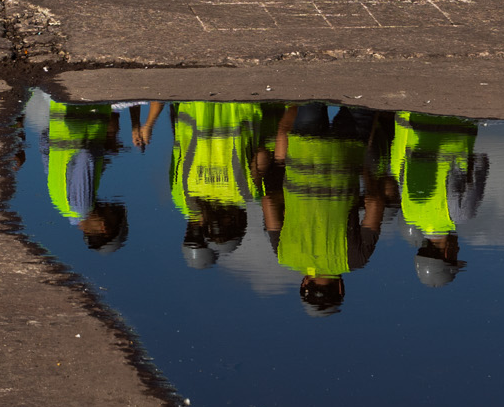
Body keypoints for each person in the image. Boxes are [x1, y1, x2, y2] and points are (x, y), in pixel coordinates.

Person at [265, 104, 387, 317]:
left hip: (346, 155)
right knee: (312, 91)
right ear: (304, 284)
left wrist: (365, 173)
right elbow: (268, 202)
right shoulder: (284, 255)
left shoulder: (355, 259)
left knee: (365, 91)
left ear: (340, 288)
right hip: (303, 150)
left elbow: (374, 203)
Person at [163, 100, 269, 270]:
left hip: (239, 107)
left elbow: (262, 155)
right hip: (195, 107)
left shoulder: (247, 193)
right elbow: (178, 153)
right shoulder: (190, 193)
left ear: (241, 223)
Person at [392, 112, 487, 289]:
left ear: (447, 252)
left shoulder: (460, 215)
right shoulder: (408, 212)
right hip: (418, 120)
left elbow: (481, 165)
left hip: (458, 120)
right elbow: (404, 168)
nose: (458, 249)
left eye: (455, 255)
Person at [44, 100, 129, 253]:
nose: (109, 206)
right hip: (61, 106)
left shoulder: (82, 207)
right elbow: (44, 143)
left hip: (87, 105)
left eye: (114, 214)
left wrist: (104, 146)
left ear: (106, 227)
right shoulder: (60, 204)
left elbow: (85, 155)